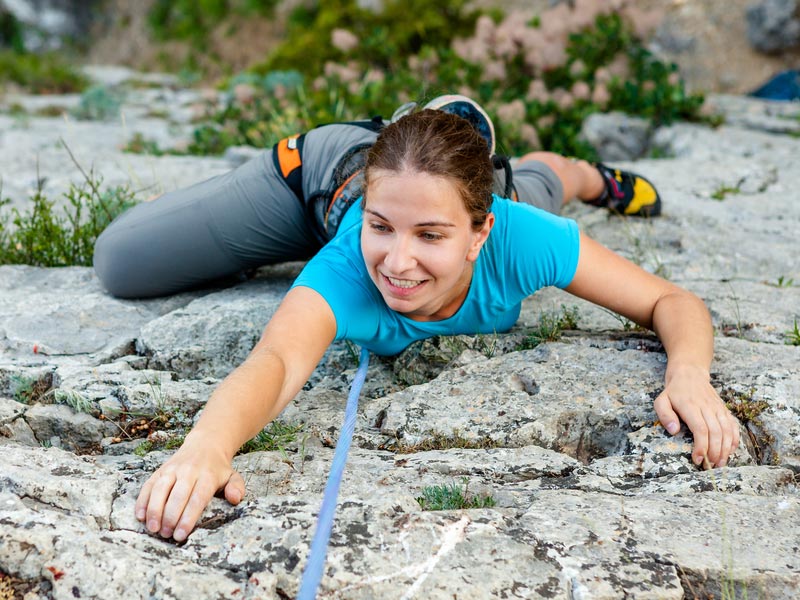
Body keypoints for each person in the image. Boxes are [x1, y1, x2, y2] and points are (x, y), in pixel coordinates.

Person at [94, 97, 739, 543]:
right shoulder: (350, 263)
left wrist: (688, 376)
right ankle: (386, 155)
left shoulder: (517, 235)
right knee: (119, 262)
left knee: (541, 183)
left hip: (465, 194)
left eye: (430, 235)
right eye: (384, 229)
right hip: (320, 179)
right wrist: (206, 448)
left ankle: (571, 169)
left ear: (478, 233)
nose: (398, 263)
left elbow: (672, 302)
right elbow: (279, 361)